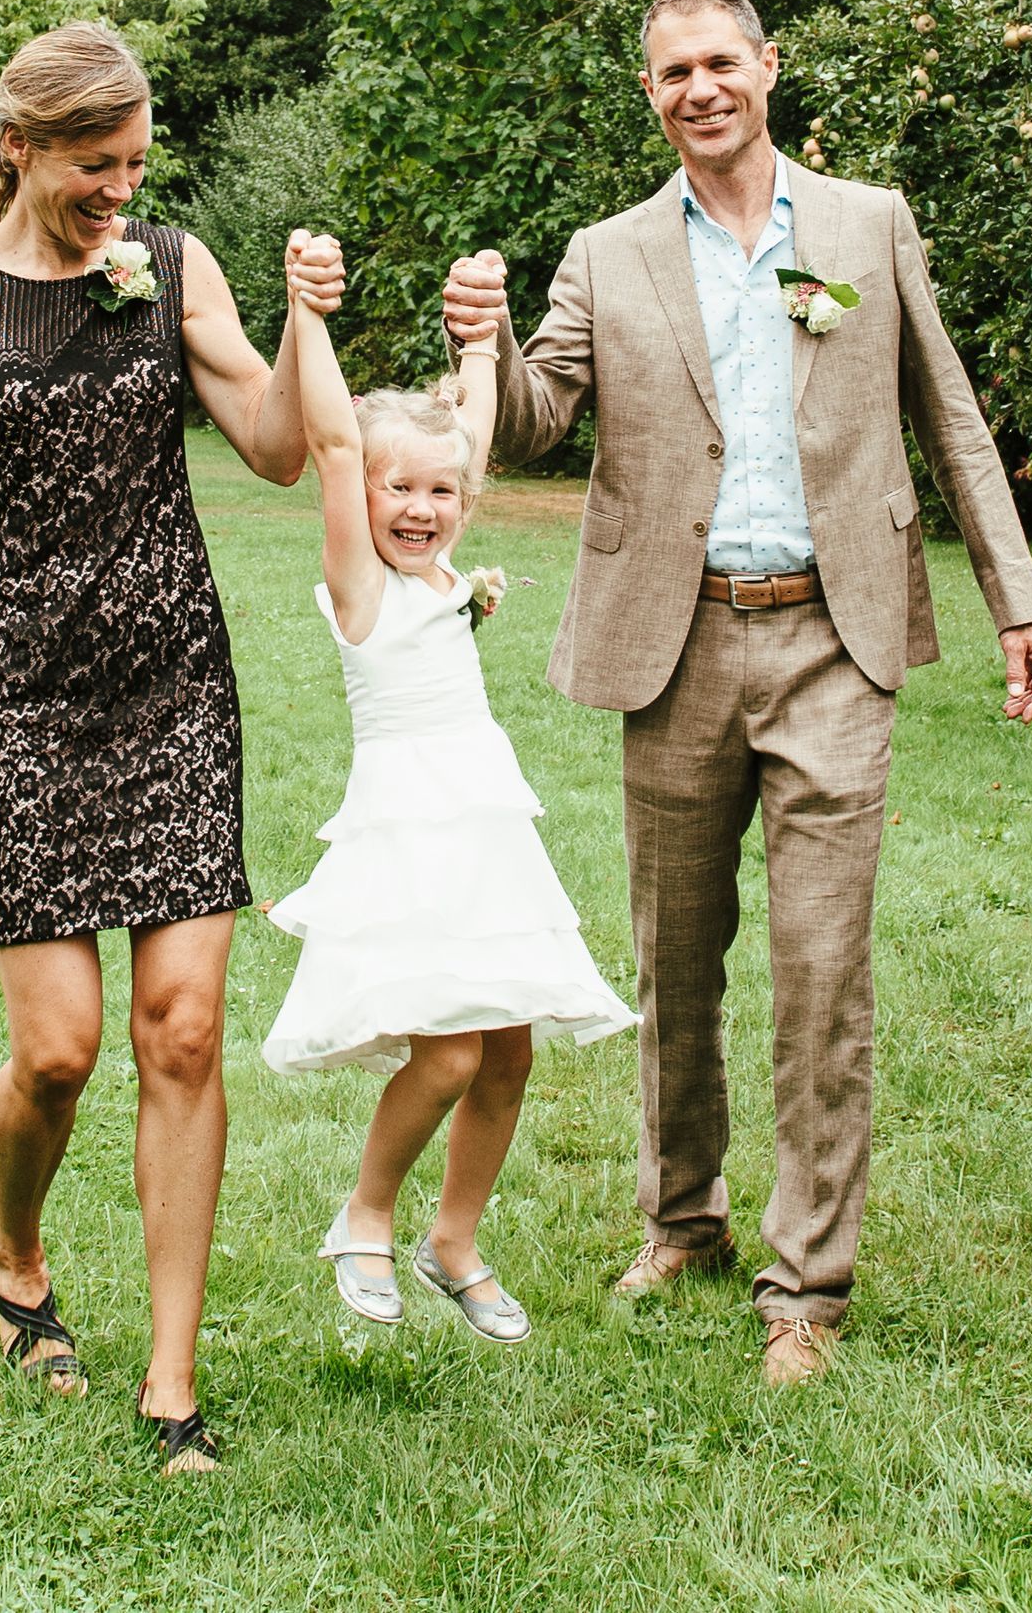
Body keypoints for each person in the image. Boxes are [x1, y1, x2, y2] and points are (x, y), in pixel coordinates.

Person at [441, 0, 1032, 1385]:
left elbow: (949, 417)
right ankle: (683, 1221)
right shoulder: (605, 257)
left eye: (722, 61)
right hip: (678, 645)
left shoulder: (867, 224)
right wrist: (478, 343)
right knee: (674, 961)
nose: (699, 88)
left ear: (768, 68)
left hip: (836, 638)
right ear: (650, 93)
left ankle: (809, 1288)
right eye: (673, 73)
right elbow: (538, 426)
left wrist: (1016, 598)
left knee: (823, 968)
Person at [0, 22, 341, 1473]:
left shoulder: (175, 268)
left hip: (173, 680)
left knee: (183, 1031)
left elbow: (273, 443)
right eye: (93, 167)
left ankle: (172, 1383)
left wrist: (303, 318)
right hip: (19, 687)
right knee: (62, 1051)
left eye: (135, 165)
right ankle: (19, 1253)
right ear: (21, 148)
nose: (118, 194)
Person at [264, 229, 633, 1344]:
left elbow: (472, 425)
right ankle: (365, 1214)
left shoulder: (441, 570)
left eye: (440, 490)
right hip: (413, 834)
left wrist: (481, 331)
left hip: (485, 829)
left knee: (510, 1048)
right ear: (364, 497)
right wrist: (308, 314)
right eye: (397, 489)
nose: (420, 507)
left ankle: (455, 1240)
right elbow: (331, 441)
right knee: (453, 1048)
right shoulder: (364, 590)